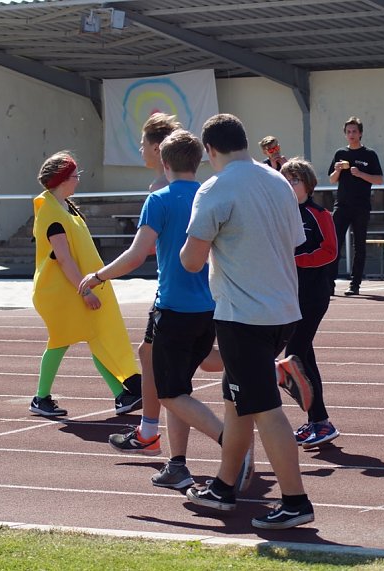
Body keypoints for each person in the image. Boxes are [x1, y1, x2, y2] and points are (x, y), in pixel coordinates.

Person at [80, 130, 239, 490]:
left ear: (164, 163)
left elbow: (137, 254)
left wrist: (98, 275)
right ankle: (176, 462)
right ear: (198, 160)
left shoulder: (160, 199)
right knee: (175, 383)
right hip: (208, 306)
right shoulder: (209, 195)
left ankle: (231, 444)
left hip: (175, 306)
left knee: (171, 392)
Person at [180, 113, 314, 530]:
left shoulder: (215, 188)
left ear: (210, 150)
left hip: (244, 316)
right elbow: (295, 239)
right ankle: (223, 486)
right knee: (235, 401)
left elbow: (192, 259)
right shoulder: (277, 181)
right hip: (283, 310)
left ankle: (295, 501)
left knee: (263, 409)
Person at [28, 151, 142, 418]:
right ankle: (40, 398)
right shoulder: (52, 214)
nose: (78, 180)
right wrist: (85, 289)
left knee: (94, 337)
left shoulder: (64, 207)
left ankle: (121, 395)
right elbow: (63, 259)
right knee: (60, 341)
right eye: (75, 175)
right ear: (63, 179)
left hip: (71, 287)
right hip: (60, 292)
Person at [106, 112, 182, 455]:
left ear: (156, 147)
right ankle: (149, 431)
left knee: (179, 367)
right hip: (190, 282)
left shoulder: (160, 190)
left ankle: (272, 370)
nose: (139, 149)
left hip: (178, 287)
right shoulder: (191, 184)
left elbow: (143, 250)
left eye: (141, 143)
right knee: (153, 356)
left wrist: (98, 276)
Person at [278, 158, 340, 448]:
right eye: (285, 180)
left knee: (296, 354)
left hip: (314, 293)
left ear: (307, 184)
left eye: (294, 180)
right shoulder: (282, 212)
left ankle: (321, 421)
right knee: (305, 356)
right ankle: (318, 422)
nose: (289, 186)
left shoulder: (319, 213)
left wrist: (296, 261)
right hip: (290, 294)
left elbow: (330, 251)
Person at [327, 116, 383, 296]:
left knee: (359, 246)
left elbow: (379, 180)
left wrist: (360, 174)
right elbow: (331, 179)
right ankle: (329, 284)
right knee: (335, 244)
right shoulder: (340, 154)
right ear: (345, 134)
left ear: (360, 134)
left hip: (361, 206)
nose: (351, 134)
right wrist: (337, 170)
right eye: (348, 132)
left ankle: (355, 284)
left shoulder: (369, 154)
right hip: (341, 205)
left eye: (354, 131)